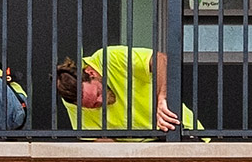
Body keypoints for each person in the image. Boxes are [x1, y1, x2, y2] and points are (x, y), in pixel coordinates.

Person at [53, 46, 199, 137]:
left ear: (91, 72)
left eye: (98, 93)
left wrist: (162, 98)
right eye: (92, 106)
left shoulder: (109, 58)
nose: (101, 102)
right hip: (140, 153)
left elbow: (161, 60)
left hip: (181, 130)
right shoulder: (72, 103)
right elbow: (98, 139)